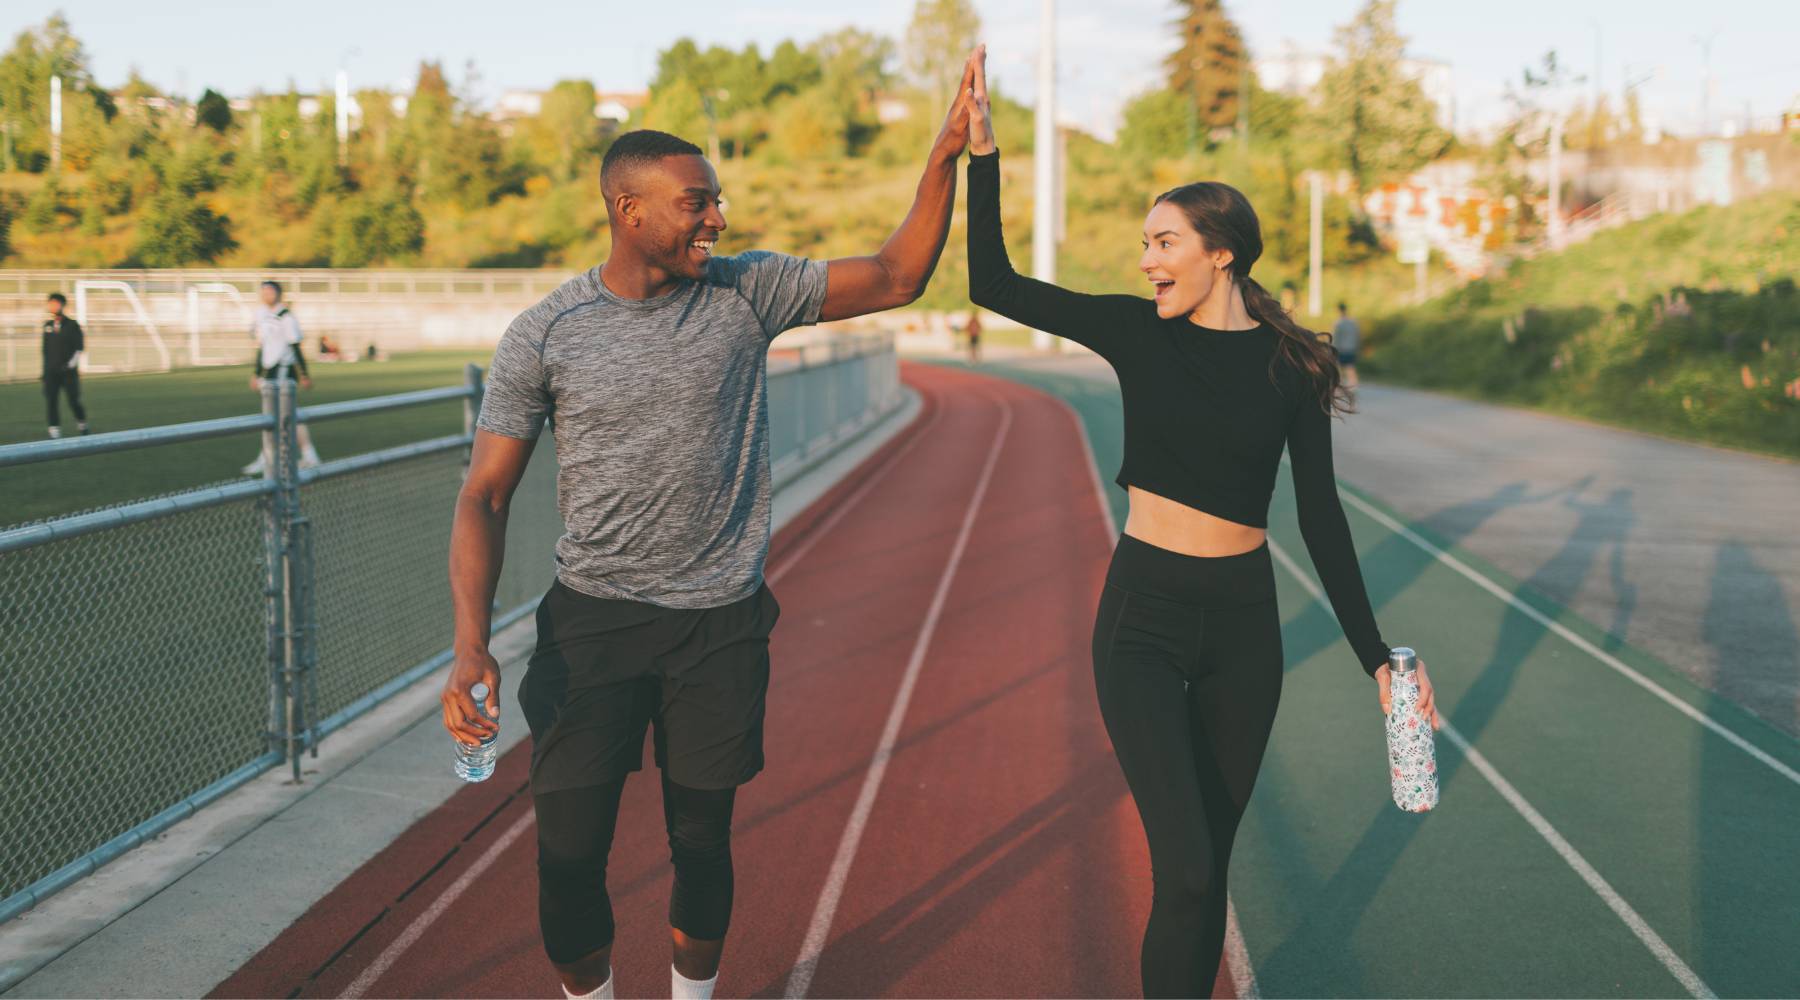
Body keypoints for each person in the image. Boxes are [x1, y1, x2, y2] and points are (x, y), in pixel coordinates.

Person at [440, 48, 982, 1000]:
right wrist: (469, 643)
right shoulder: (546, 332)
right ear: (629, 210)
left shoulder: (747, 292)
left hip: (719, 625)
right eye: (697, 203)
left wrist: (943, 156)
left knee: (701, 844)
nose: (718, 219)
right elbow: (484, 494)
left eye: (717, 201)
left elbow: (898, 275)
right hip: (593, 624)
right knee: (567, 861)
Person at [962, 51, 1440, 998]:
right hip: (1143, 618)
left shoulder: (1296, 366)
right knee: (1184, 868)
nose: (1147, 261)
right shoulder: (1137, 331)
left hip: (1244, 631)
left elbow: (1321, 518)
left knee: (1204, 878)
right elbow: (994, 283)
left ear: (1221, 252)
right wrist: (983, 158)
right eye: (1145, 244)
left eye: (1163, 242)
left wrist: (1378, 660)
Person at [242, 281, 322, 475]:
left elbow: (295, 347)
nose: (266, 295)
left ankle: (293, 456)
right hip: (270, 370)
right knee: (278, 414)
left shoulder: (286, 317)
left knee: (284, 414)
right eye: (264, 292)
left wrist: (304, 374)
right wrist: (257, 373)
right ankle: (283, 456)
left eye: (270, 292)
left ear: (279, 294)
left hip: (284, 370)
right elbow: (263, 347)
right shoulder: (262, 315)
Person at [41, 293, 90, 438]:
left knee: (73, 400)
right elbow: (45, 350)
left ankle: (82, 424)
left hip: (68, 372)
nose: (53, 306)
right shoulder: (47, 326)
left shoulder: (72, 325)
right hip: (51, 372)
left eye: (56, 303)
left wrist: (70, 365)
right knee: (51, 401)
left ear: (62, 305)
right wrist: (44, 372)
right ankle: (54, 431)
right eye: (50, 303)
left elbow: (79, 348)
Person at [1332, 301, 1361, 392]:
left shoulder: (1338, 323)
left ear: (1338, 310)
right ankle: (1354, 386)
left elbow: (1336, 338)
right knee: (1350, 368)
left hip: (1341, 349)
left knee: (1338, 369)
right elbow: (1357, 335)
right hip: (1351, 348)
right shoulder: (1353, 322)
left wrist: (1333, 349)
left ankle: (1339, 387)